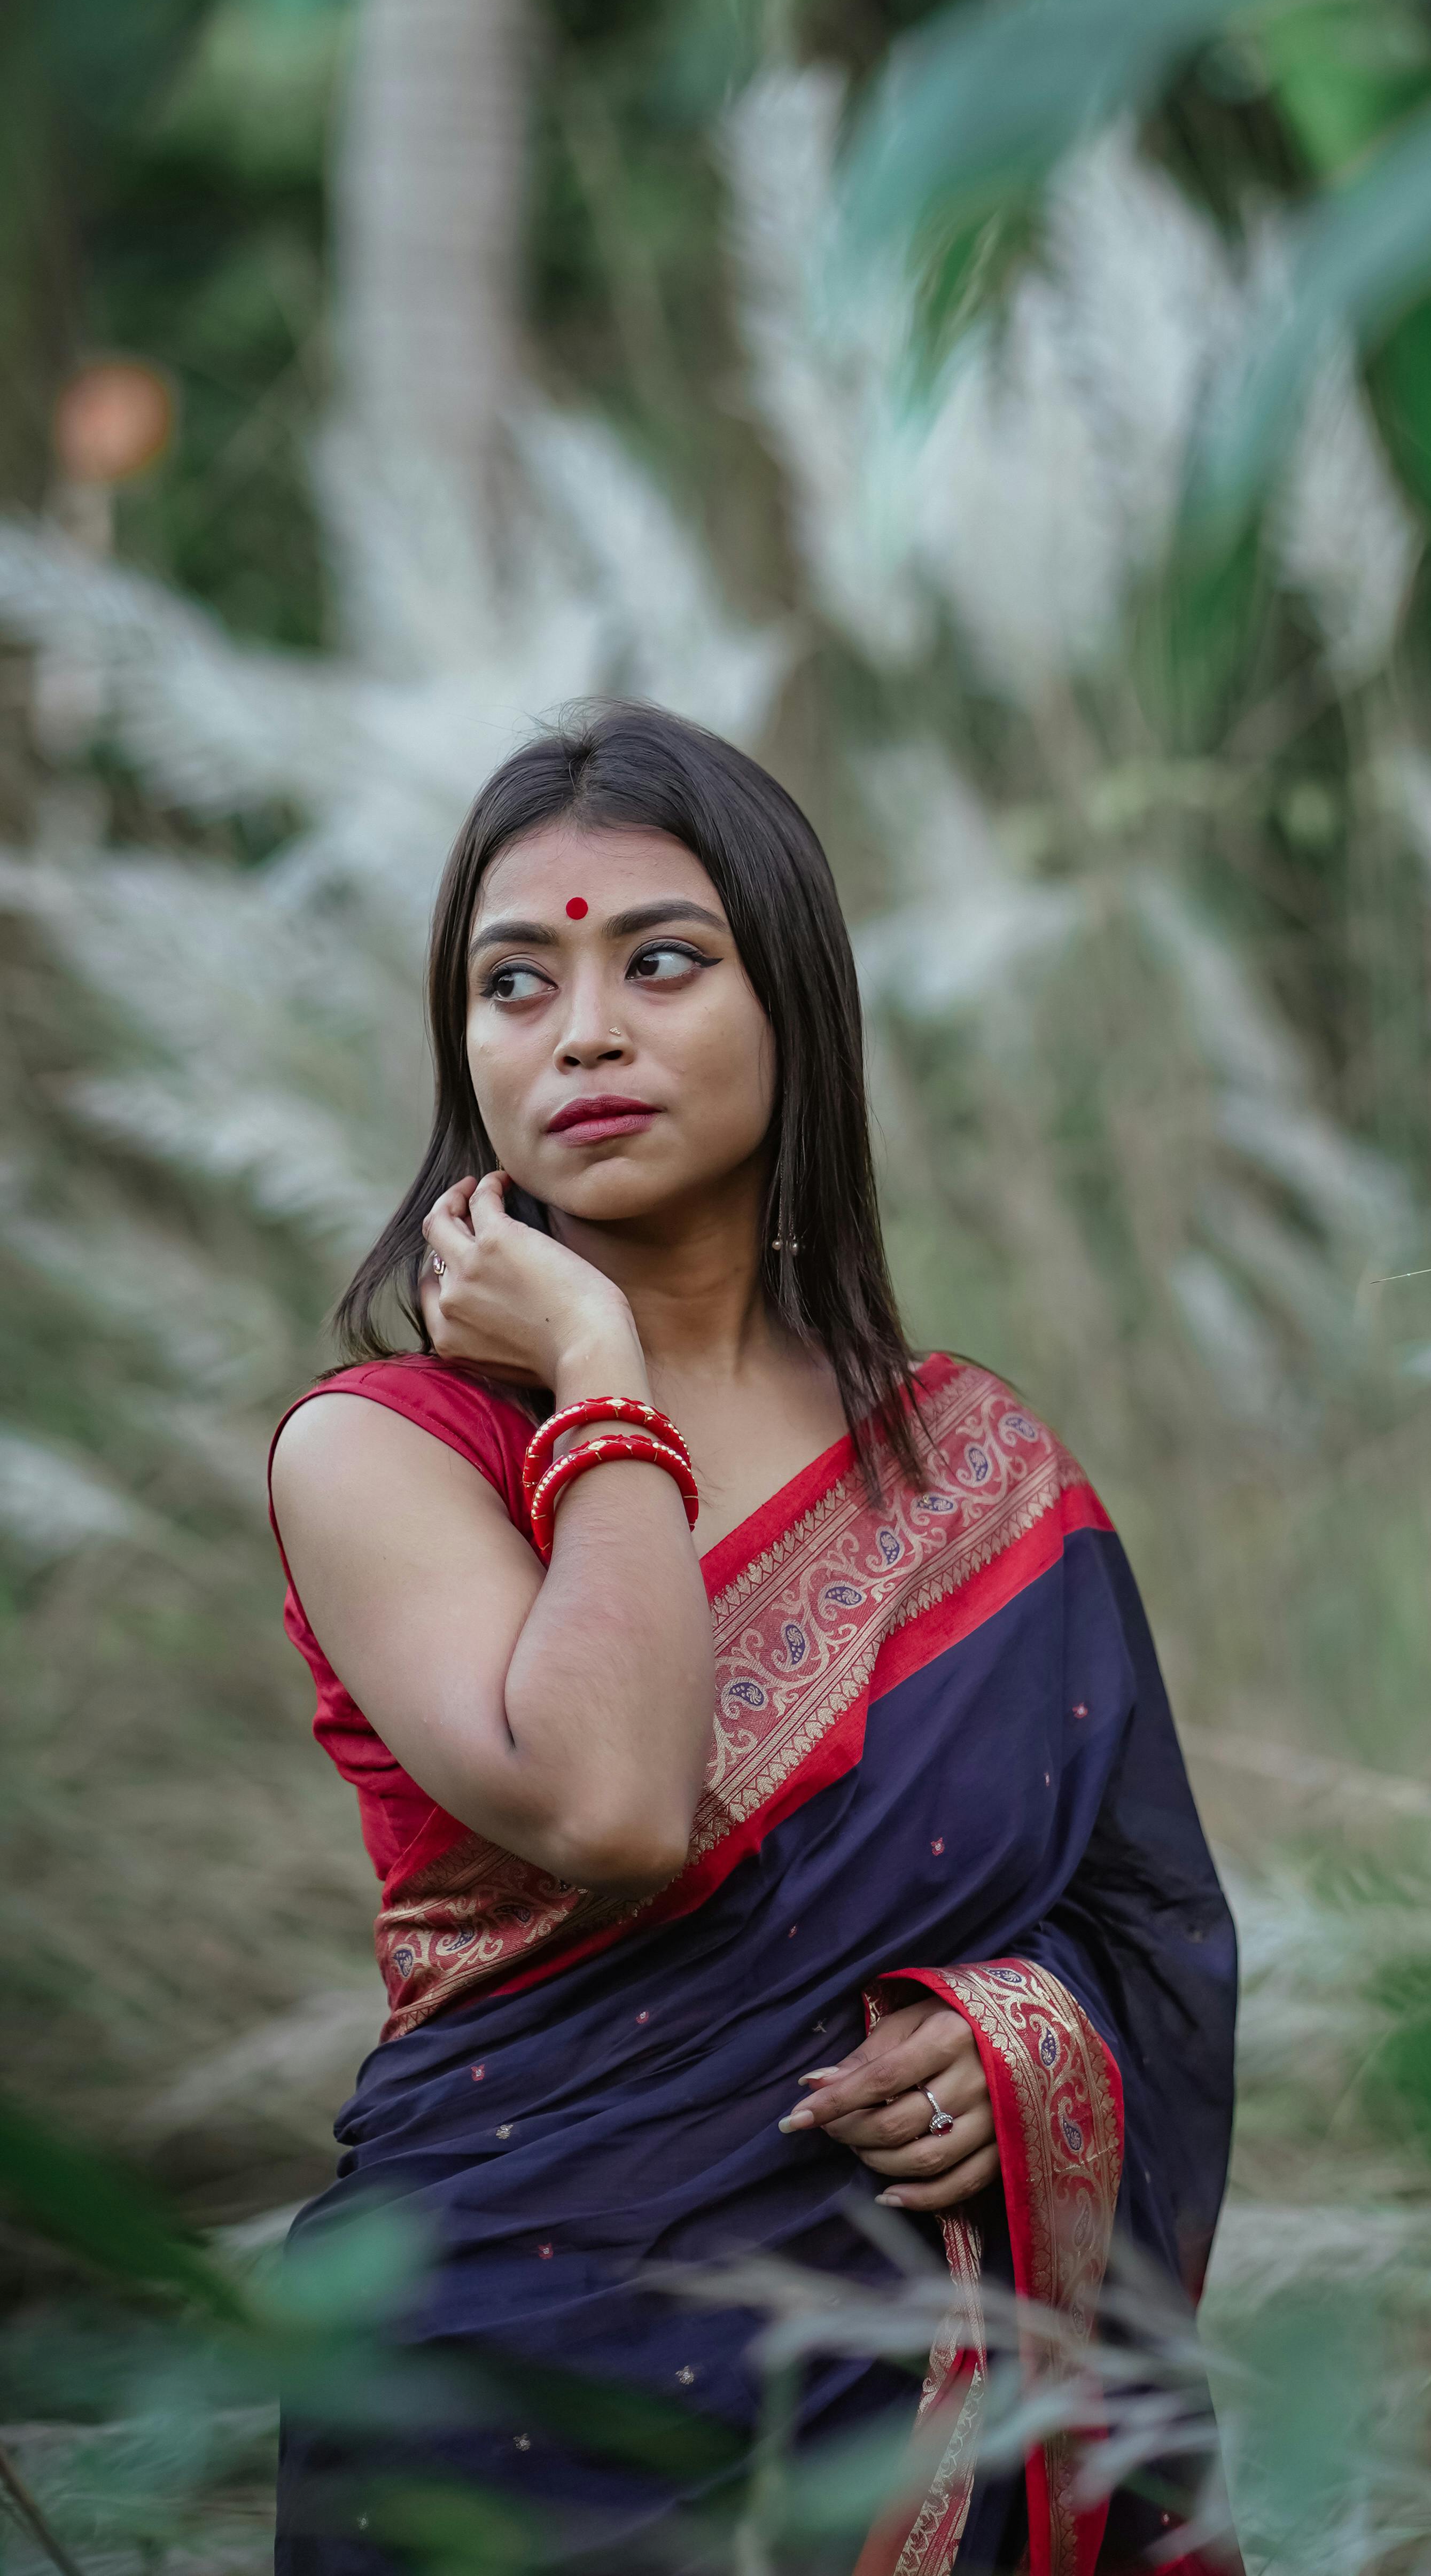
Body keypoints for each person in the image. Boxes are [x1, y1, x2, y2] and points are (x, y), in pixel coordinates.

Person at [267, 702, 1238, 2575]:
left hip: (896, 2375)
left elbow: (1146, 1927)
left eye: (660, 963)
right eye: (514, 984)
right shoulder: (386, 1450)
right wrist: (601, 1375)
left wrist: (1029, 2036)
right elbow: (616, 1803)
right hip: (498, 2383)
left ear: (796, 1005)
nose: (585, 1034)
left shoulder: (970, 1469)